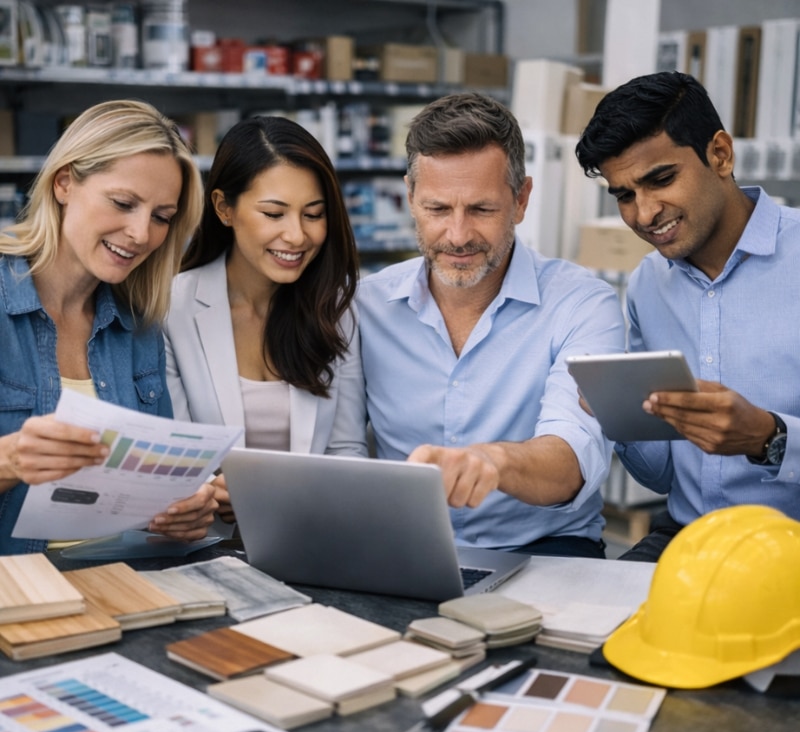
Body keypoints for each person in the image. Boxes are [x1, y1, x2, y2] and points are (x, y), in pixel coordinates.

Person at [356, 92, 626, 557]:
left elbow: (573, 456)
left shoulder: (583, 305)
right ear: (410, 199)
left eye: (481, 210)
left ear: (521, 200)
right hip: (405, 548)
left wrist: (492, 461)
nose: (458, 235)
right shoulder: (366, 306)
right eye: (438, 209)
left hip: (544, 549)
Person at [575, 71, 800, 562]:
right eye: (624, 195)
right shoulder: (648, 285)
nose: (645, 212)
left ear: (719, 154)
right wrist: (618, 415)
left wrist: (770, 438)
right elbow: (659, 475)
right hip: (688, 535)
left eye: (661, 179)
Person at [0, 99, 216, 556]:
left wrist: (181, 513)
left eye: (161, 217)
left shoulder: (136, 325)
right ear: (64, 183)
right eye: (123, 203)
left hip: (124, 579)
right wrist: (9, 460)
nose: (141, 234)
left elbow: (148, 493)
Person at [164, 115, 367, 523]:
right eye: (274, 214)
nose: (297, 235)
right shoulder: (174, 307)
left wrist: (262, 495)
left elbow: (347, 452)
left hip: (311, 539)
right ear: (224, 208)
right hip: (204, 548)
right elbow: (176, 460)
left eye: (313, 214)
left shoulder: (335, 306)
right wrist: (208, 493)